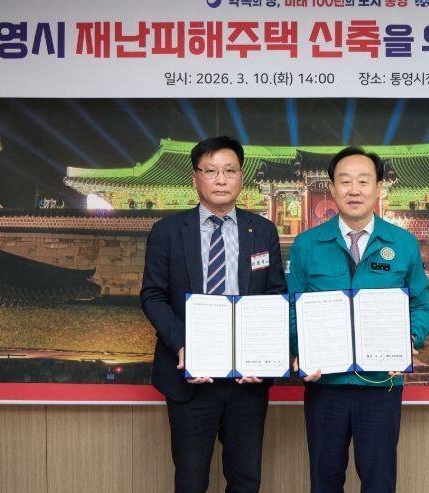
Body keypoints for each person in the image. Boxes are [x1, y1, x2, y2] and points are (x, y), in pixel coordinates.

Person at [140, 136, 286, 493]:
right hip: (189, 377)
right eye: (211, 171)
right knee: (191, 480)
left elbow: (275, 296)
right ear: (195, 178)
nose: (221, 180)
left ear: (241, 177)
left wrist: (262, 353)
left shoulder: (262, 231)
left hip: (247, 381)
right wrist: (183, 345)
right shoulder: (168, 231)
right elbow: (153, 296)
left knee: (245, 479)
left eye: (229, 171)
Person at [286, 147, 429, 493]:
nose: (354, 190)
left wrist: (410, 339)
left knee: (379, 481)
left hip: (381, 386)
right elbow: (292, 308)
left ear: (378, 187)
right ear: (332, 188)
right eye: (345, 181)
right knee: (325, 481)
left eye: (364, 181)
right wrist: (301, 348)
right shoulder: (307, 245)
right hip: (325, 387)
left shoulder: (403, 243)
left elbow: (421, 304)